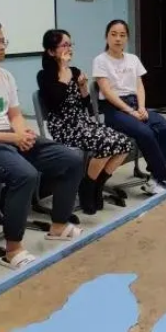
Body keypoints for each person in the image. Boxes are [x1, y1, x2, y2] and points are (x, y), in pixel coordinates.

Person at [0, 17, 85, 271]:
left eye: (4, 41)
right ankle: (12, 251)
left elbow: (15, 115)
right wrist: (13, 137)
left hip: (10, 139)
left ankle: (58, 226)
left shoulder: (6, 77)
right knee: (25, 174)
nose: (3, 46)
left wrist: (22, 132)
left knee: (73, 158)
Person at [37, 29, 132, 214]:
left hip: (83, 123)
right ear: (51, 51)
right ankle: (88, 188)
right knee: (107, 144)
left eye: (70, 44)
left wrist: (82, 87)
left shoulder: (74, 71)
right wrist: (64, 74)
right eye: (64, 45)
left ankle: (96, 185)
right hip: (64, 127)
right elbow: (55, 102)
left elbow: (85, 104)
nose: (69, 48)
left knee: (124, 142)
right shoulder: (45, 75)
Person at [92, 19, 166, 196]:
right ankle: (164, 177)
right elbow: (107, 92)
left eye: (122, 35)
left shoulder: (133, 59)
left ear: (127, 38)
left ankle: (154, 178)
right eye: (113, 34)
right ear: (106, 37)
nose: (118, 39)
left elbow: (139, 86)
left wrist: (142, 107)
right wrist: (130, 111)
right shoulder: (100, 60)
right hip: (114, 108)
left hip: (135, 104)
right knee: (146, 133)